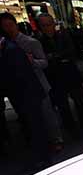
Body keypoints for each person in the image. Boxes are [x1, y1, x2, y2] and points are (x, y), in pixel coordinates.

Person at [0, 12, 63, 150]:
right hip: (20, 88)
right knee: (29, 117)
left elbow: (44, 62)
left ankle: (56, 139)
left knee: (47, 114)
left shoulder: (30, 42)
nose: (8, 29)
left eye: (10, 25)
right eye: (4, 26)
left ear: (15, 25)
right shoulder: (5, 45)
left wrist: (32, 61)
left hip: (39, 84)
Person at [37, 13, 83, 138]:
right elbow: (44, 60)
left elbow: (72, 53)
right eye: (44, 25)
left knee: (80, 104)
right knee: (63, 108)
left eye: (49, 24)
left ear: (53, 24)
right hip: (55, 79)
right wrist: (58, 57)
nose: (47, 28)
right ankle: (72, 130)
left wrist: (54, 57)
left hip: (71, 76)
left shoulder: (64, 36)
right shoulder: (39, 42)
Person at [0, 35, 50, 168]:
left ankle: (44, 157)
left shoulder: (11, 50)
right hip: (25, 95)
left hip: (28, 95)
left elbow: (18, 76)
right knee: (33, 126)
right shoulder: (8, 48)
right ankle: (41, 156)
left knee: (36, 126)